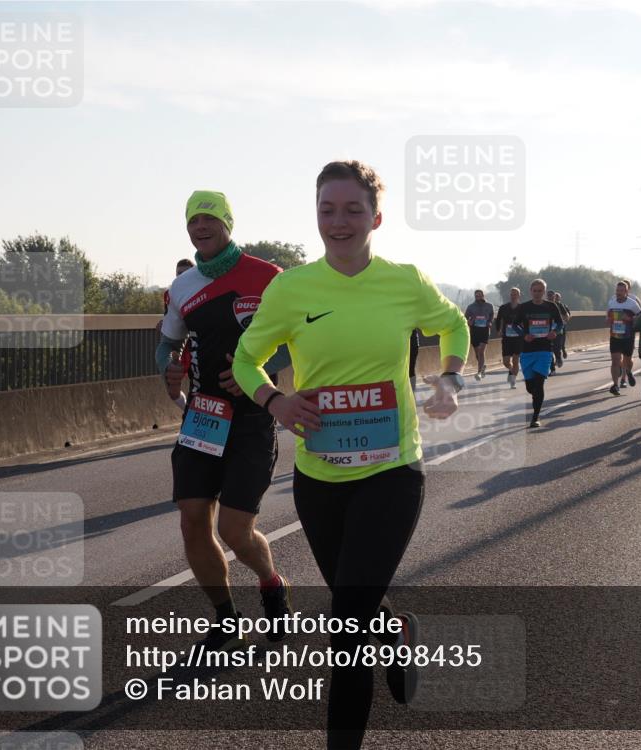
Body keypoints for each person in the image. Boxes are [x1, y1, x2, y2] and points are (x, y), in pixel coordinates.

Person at [232, 160, 469, 750]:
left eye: (352, 209)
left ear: (376, 218)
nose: (339, 222)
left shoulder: (404, 280)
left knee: (347, 629)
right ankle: (396, 632)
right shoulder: (291, 289)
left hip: (392, 472)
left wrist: (449, 381)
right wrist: (275, 401)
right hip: (319, 477)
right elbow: (245, 358)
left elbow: (455, 325)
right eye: (327, 210)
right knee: (352, 601)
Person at [156, 190, 292, 652]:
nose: (201, 226)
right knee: (193, 521)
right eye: (194, 219)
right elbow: (166, 344)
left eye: (210, 218)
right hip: (202, 418)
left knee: (235, 531)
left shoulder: (268, 276)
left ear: (228, 223)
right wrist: (168, 367)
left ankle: (271, 582)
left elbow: (297, 339)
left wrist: (262, 374)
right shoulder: (183, 287)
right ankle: (225, 618)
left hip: (253, 417)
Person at [513, 279, 562, 427]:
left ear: (544, 292)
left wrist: (554, 332)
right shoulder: (524, 308)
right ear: (530, 291)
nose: (537, 293)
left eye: (540, 291)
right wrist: (524, 335)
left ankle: (535, 417)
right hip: (527, 350)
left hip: (545, 349)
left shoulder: (551, 306)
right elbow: (515, 325)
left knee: (539, 383)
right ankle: (536, 399)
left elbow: (560, 323)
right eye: (535, 290)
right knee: (530, 387)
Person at [161, 258, 197, 410]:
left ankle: (190, 416)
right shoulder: (170, 294)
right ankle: (188, 411)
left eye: (185, 273)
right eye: (178, 274)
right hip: (179, 345)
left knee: (197, 386)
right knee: (172, 389)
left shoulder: (202, 292)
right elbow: (170, 317)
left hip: (197, 344)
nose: (181, 277)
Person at [606, 281, 641, 396]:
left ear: (626, 292)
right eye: (617, 291)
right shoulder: (611, 302)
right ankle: (615, 385)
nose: (619, 293)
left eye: (621, 291)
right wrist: (608, 319)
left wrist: (630, 319)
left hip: (628, 337)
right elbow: (608, 315)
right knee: (615, 361)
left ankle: (628, 371)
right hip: (615, 336)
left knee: (627, 360)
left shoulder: (632, 304)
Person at [495, 287, 522, 388]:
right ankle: (511, 371)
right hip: (507, 337)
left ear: (519, 295)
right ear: (509, 295)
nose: (513, 296)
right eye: (512, 294)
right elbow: (499, 320)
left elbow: (526, 321)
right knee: (506, 362)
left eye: (515, 294)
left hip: (518, 337)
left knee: (515, 360)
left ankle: (513, 380)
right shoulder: (503, 307)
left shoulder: (522, 307)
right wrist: (499, 330)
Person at [465, 290, 493, 380]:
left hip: (485, 330)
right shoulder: (470, 307)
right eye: (476, 296)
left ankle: (479, 372)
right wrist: (469, 321)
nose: (478, 298)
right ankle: (482, 366)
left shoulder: (489, 306)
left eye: (480, 296)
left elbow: (492, 315)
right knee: (477, 353)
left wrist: (490, 322)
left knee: (481, 352)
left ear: (483, 296)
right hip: (474, 330)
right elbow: (465, 317)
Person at [553, 292, 571, 364]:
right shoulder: (549, 305)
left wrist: (563, 320)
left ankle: (562, 351)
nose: (556, 298)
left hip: (560, 326)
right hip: (550, 327)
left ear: (559, 298)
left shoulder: (562, 305)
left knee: (560, 342)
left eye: (557, 297)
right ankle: (556, 358)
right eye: (555, 297)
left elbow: (568, 315)